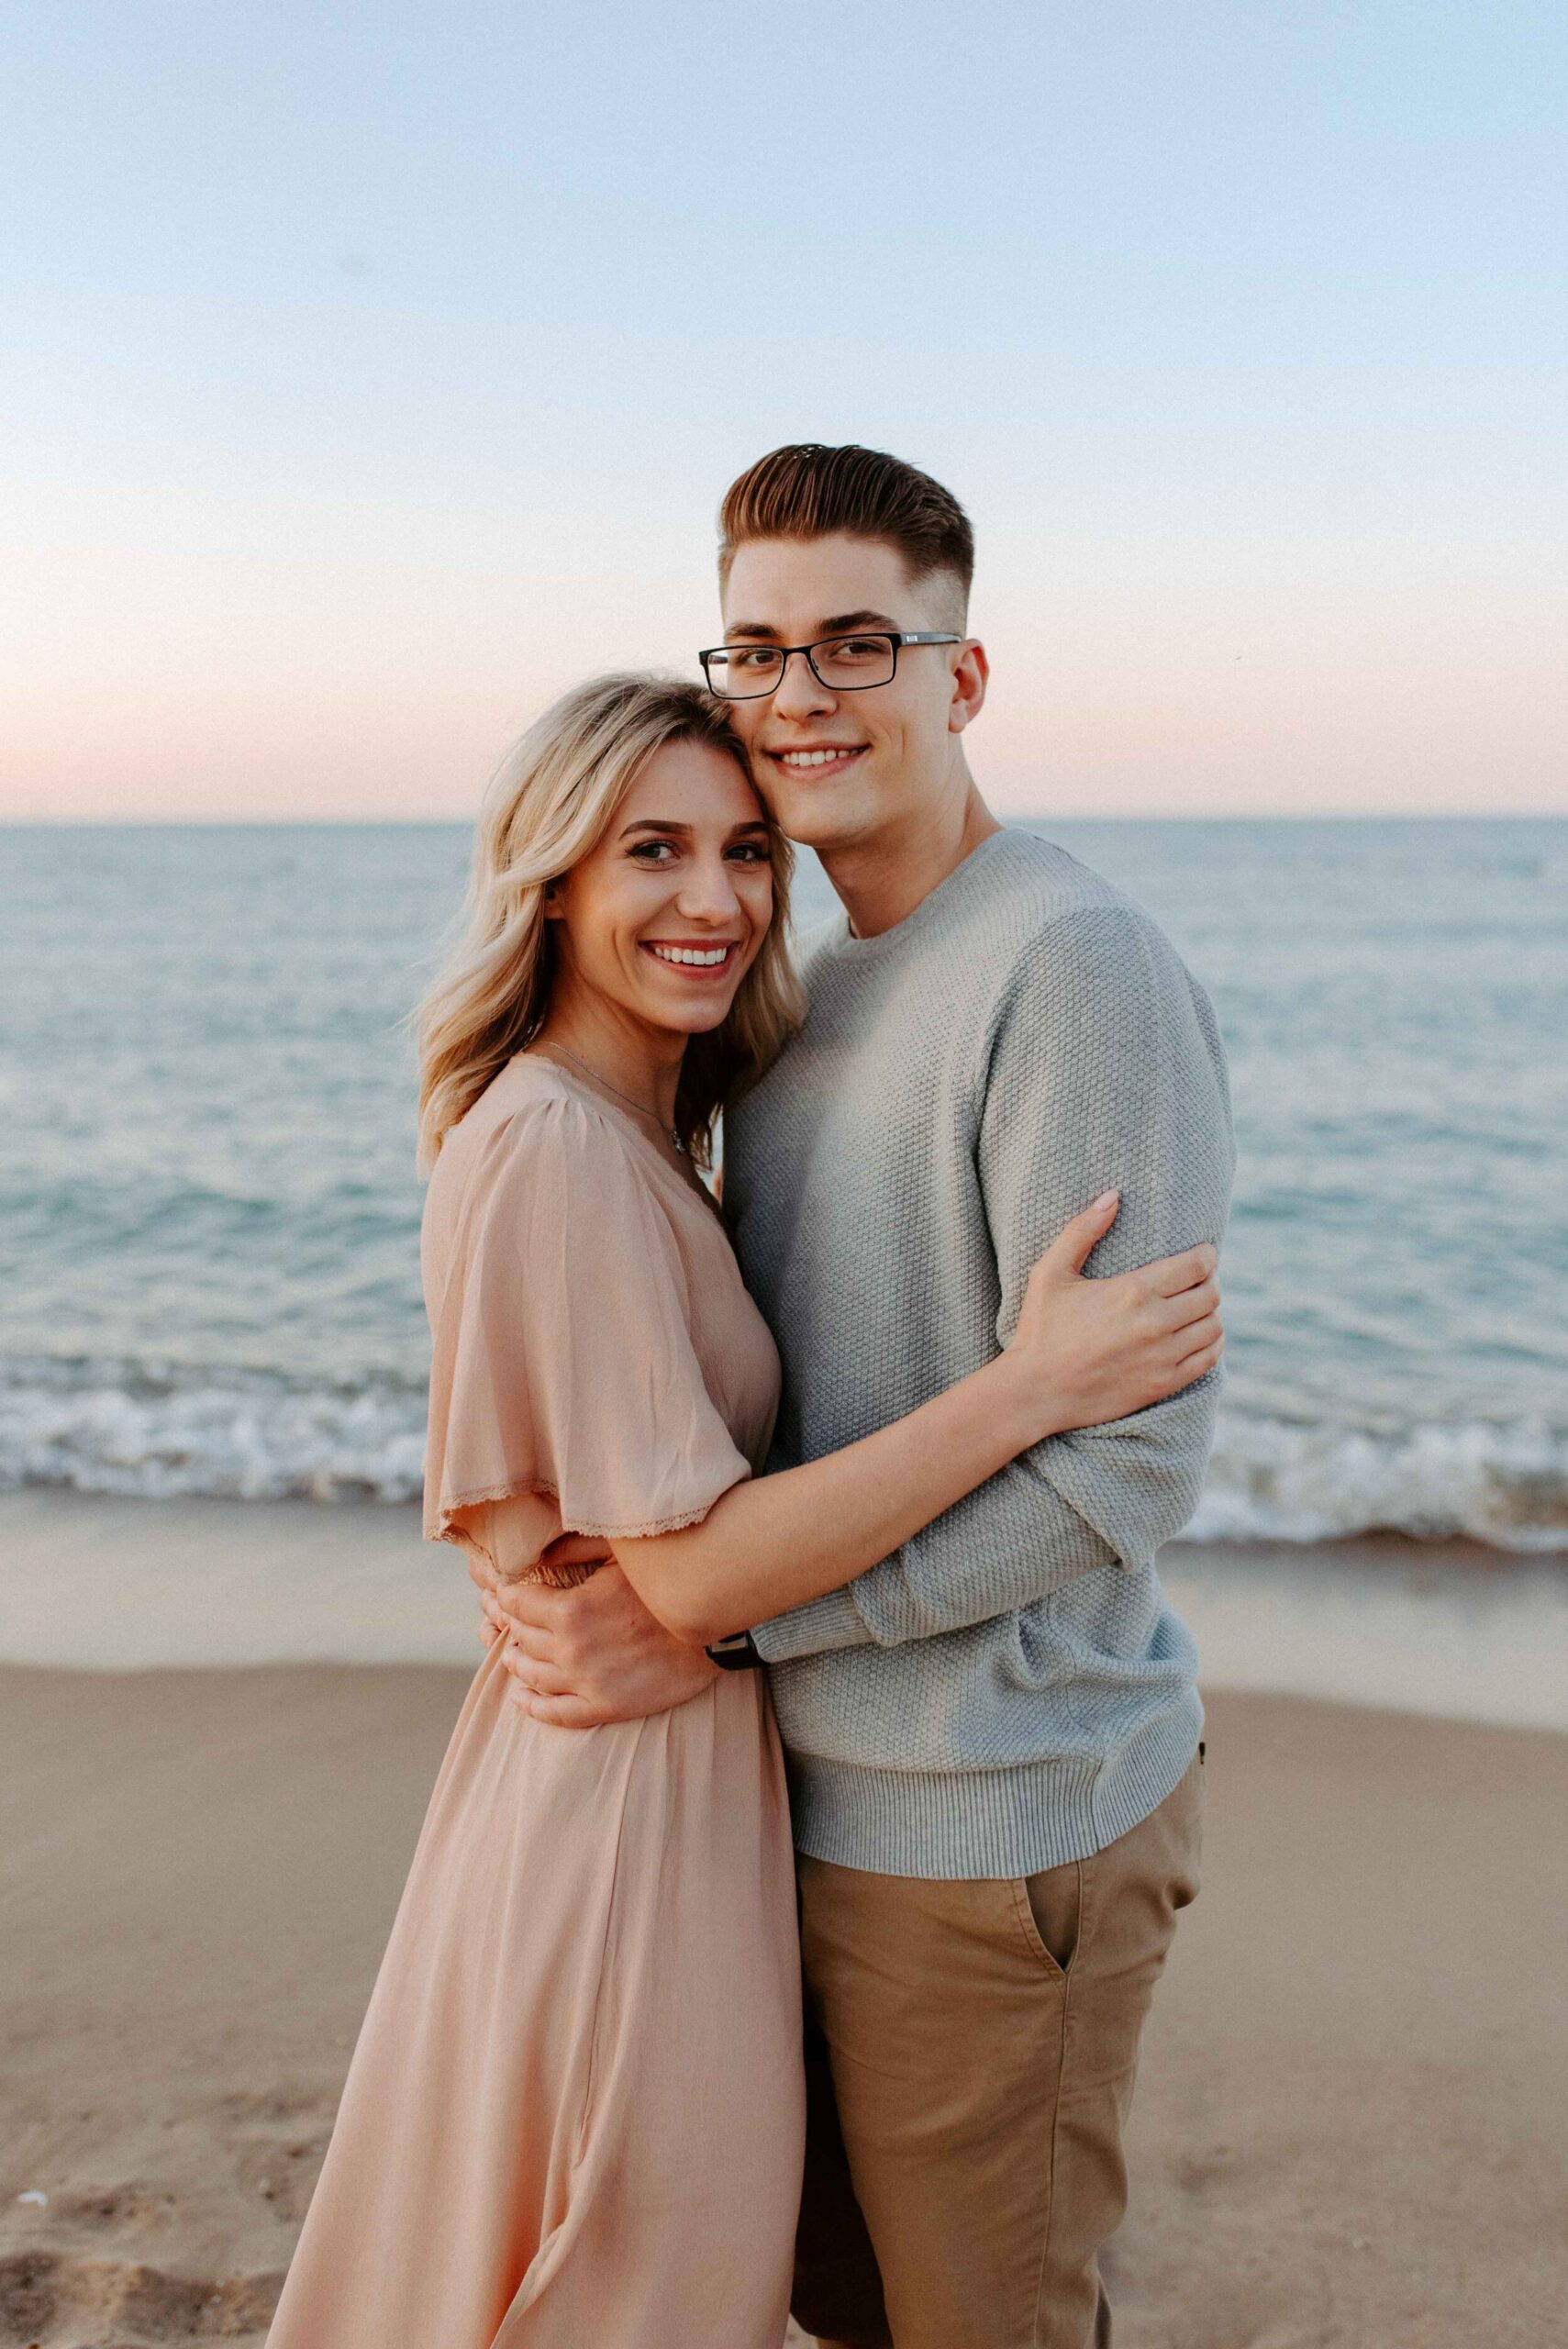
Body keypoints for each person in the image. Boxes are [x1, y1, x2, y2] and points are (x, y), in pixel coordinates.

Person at [265, 670, 1224, 2349]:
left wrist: (689, 1607)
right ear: (550, 877)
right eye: (651, 851)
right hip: (627, 1824)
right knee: (632, 2274)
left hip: (681, 1784)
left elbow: (658, 1555)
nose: (713, 902)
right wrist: (1026, 1385)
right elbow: (691, 1571)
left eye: (745, 853)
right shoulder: (558, 1146)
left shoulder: (661, 1123)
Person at [480, 447, 1237, 2349]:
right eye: (757, 649)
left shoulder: (1074, 969)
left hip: (990, 1823)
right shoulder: (791, 994)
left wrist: (728, 1627)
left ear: (959, 679)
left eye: (855, 644)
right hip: (795, 1813)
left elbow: (1118, 1472)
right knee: (841, 2306)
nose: (798, 694)